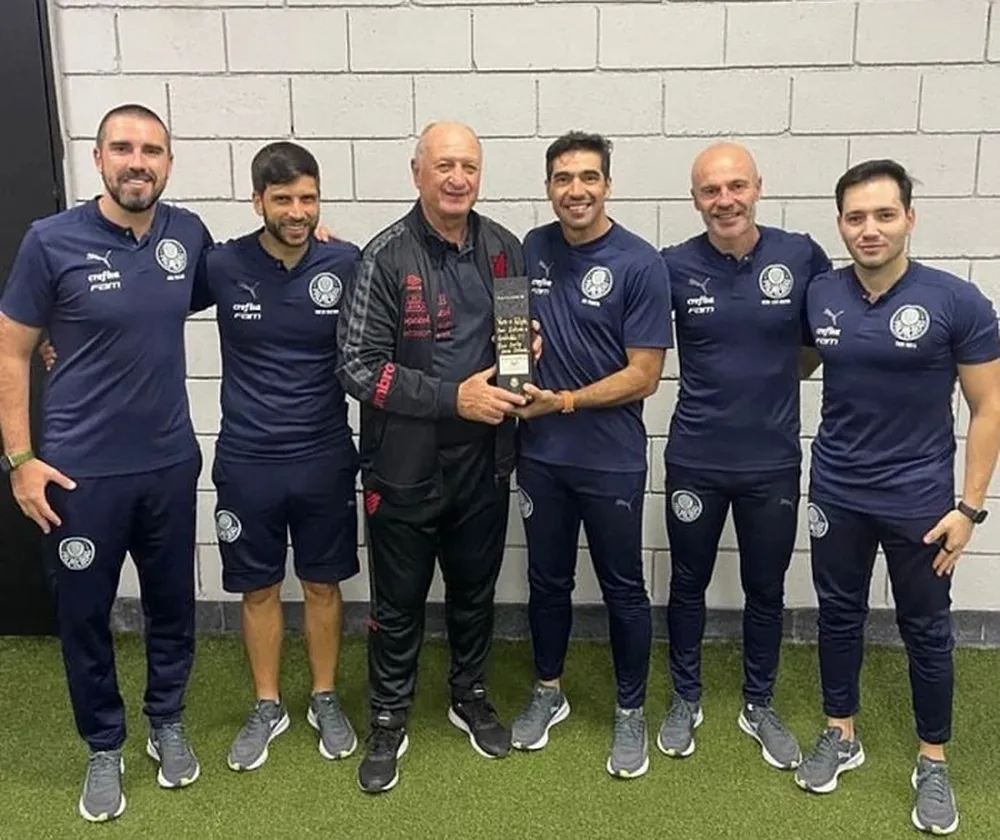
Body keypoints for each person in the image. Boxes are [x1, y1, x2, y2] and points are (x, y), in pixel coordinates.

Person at [0, 104, 210, 822]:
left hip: (169, 465)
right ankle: (103, 743)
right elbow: (12, 350)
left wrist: (312, 234)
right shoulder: (50, 241)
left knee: (172, 603)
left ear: (169, 163)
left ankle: (167, 722)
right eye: (122, 148)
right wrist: (21, 459)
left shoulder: (186, 235)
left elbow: (242, 279)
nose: (137, 161)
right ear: (98, 159)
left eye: (152, 149)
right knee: (85, 614)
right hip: (80, 477)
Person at [794, 159, 1000, 836]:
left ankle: (932, 760)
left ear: (909, 217)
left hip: (920, 502)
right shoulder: (820, 295)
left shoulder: (956, 301)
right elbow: (791, 362)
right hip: (837, 493)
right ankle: (840, 732)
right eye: (856, 217)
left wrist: (969, 508)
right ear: (841, 225)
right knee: (839, 616)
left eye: (884, 215)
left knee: (926, 630)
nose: (870, 229)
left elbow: (988, 404)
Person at [335, 121, 537, 795]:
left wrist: (522, 359)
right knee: (397, 606)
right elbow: (360, 369)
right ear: (416, 171)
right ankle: (388, 718)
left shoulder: (505, 251)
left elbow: (511, 357)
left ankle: (469, 693)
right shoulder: (384, 257)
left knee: (474, 594)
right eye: (444, 164)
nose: (458, 178)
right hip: (402, 469)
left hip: (484, 464)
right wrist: (455, 398)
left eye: (469, 167)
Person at [655, 142, 831, 770]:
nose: (724, 200)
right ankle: (685, 697)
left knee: (765, 587)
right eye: (710, 190)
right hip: (696, 458)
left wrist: (773, 379)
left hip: (773, 462)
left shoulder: (801, 255)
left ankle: (758, 702)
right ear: (695, 198)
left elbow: (824, 341)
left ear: (758, 186)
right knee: (686, 583)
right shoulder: (671, 266)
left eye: (736, 186)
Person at [187, 142, 361, 772]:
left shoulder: (346, 262)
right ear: (257, 199)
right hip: (247, 458)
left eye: (307, 198)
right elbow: (144, 308)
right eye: (283, 198)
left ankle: (322, 696)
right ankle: (268, 704)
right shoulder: (222, 265)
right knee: (258, 588)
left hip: (324, 455)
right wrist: (57, 340)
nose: (297, 210)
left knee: (322, 582)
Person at [507, 131, 672, 779]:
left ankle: (630, 709)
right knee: (546, 581)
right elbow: (513, 335)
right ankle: (549, 690)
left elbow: (645, 375)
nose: (575, 190)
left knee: (622, 587)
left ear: (607, 184)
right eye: (562, 178)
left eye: (588, 177)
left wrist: (566, 401)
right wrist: (519, 371)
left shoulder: (639, 262)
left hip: (610, 459)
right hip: (540, 455)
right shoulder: (530, 247)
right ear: (549, 186)